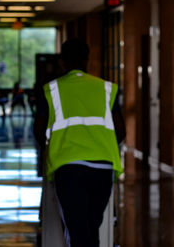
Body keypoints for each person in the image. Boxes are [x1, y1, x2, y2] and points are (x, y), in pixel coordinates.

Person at [33, 38, 126, 247]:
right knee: (91, 228)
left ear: (62, 62)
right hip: (103, 167)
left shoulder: (50, 90)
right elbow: (120, 131)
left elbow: (38, 131)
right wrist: (98, 144)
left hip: (68, 168)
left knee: (76, 233)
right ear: (87, 60)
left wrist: (56, 147)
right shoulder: (106, 89)